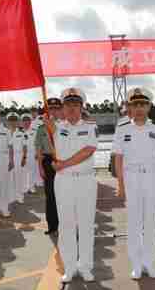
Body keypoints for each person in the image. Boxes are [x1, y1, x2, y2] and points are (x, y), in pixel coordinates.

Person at [113, 87, 155, 280]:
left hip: (153, 177)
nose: (139, 108)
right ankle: (136, 264)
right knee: (134, 222)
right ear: (129, 107)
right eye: (135, 104)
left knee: (151, 221)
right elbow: (118, 159)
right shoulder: (122, 129)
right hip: (131, 178)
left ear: (149, 106)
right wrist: (120, 183)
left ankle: (150, 262)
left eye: (142, 104)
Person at [52, 88, 98, 284]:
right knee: (66, 225)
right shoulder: (54, 128)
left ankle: (85, 267)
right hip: (63, 181)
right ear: (62, 108)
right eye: (68, 104)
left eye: (75, 104)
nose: (71, 108)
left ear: (81, 107)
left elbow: (88, 150)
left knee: (87, 225)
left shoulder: (90, 127)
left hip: (86, 180)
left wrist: (63, 163)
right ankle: (69, 267)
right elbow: (47, 152)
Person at [35, 98, 63, 236]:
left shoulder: (65, 126)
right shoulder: (41, 128)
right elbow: (39, 149)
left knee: (64, 194)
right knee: (50, 195)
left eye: (56, 108)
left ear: (61, 110)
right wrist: (40, 167)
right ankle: (53, 225)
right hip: (48, 161)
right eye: (51, 109)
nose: (54, 111)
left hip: (63, 161)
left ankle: (65, 225)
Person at [7, 113, 27, 204]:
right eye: (11, 120)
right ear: (8, 121)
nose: (12, 122)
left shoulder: (21, 133)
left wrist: (24, 157)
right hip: (7, 157)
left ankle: (19, 196)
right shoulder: (5, 132)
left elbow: (25, 146)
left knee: (19, 177)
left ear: (17, 121)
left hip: (19, 156)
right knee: (10, 178)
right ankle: (11, 197)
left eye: (14, 120)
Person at [21, 114, 38, 194]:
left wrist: (37, 152)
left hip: (32, 153)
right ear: (22, 122)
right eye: (24, 120)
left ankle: (31, 187)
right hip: (21, 154)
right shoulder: (19, 131)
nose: (26, 122)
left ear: (30, 121)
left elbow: (38, 143)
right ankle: (25, 187)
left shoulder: (34, 131)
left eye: (27, 120)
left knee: (32, 170)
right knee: (24, 171)